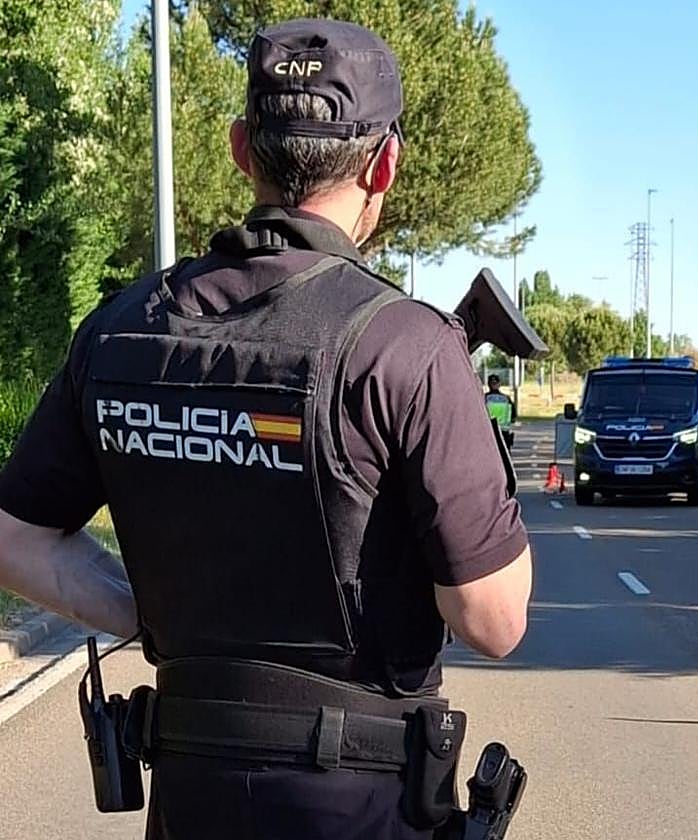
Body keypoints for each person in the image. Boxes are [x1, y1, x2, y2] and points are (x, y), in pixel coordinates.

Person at [0, 18, 531, 840]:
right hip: (362, 806)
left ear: (243, 147)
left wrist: (155, 615)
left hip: (190, 800)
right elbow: (493, 619)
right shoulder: (407, 348)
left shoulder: (119, 330)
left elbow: (16, 536)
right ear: (385, 161)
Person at [484, 374, 516, 449]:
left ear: (488, 384)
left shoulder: (484, 398)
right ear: (499, 384)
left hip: (489, 431)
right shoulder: (506, 399)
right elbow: (513, 417)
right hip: (503, 432)